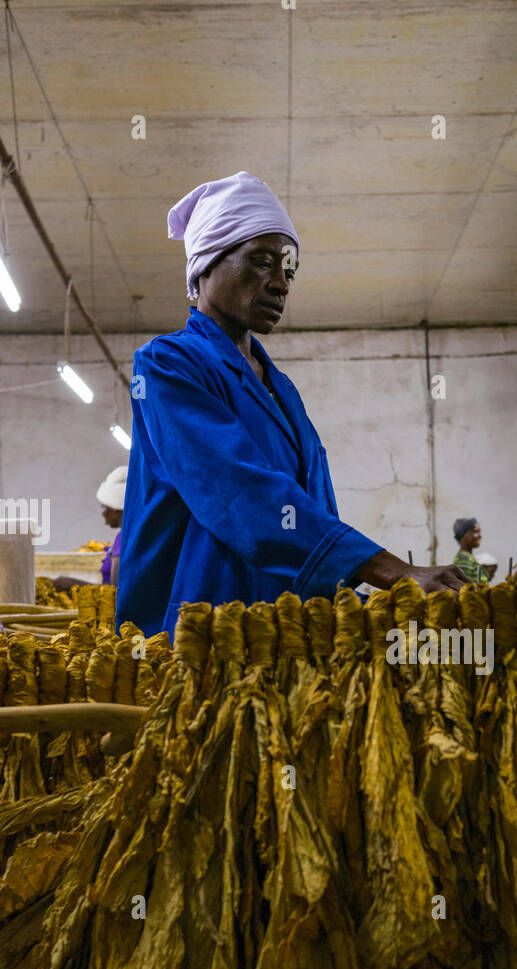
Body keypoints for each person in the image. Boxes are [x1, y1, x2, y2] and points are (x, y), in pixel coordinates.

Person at [116, 171, 464, 638]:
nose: (281, 283)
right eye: (261, 262)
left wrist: (348, 599)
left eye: (288, 270)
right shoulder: (168, 365)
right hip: (205, 629)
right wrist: (392, 571)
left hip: (284, 629)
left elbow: (310, 507)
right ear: (205, 266)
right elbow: (238, 489)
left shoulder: (279, 388)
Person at [51, 465, 127, 593]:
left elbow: (115, 593)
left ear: (116, 508)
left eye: (104, 506)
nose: (102, 513)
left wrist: (73, 584)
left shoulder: (123, 539)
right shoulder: (130, 536)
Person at [452, 518, 488, 583]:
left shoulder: (468, 557)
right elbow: (464, 588)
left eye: (479, 532)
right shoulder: (464, 559)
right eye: (475, 532)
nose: (480, 536)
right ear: (463, 535)